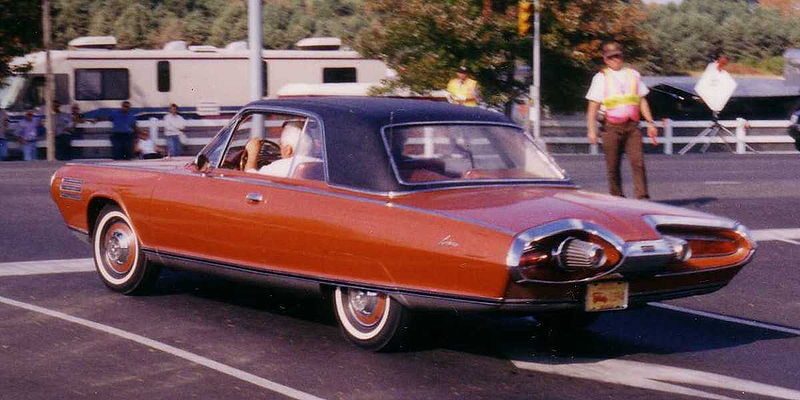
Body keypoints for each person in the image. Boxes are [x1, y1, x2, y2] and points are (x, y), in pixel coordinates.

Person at [586, 41, 658, 199]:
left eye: (617, 56)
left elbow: (642, 101)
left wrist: (650, 122)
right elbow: (593, 106)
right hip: (610, 127)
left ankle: (642, 197)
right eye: (610, 57)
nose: (615, 60)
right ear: (605, 59)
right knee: (613, 166)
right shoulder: (601, 77)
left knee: (638, 163)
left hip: (632, 126)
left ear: (622, 56)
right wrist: (591, 130)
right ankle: (617, 198)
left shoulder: (633, 75)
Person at [245, 120, 320, 177]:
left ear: (288, 150)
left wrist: (252, 155)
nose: (279, 148)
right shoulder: (321, 165)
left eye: (280, 144)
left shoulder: (281, 167)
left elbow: (250, 178)